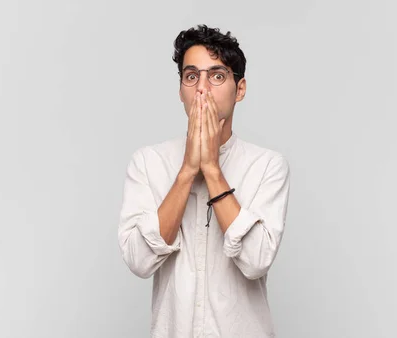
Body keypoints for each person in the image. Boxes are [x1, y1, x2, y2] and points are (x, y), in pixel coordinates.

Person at [117, 24, 291, 338]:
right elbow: (140, 261)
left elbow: (256, 261)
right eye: (192, 76)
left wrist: (211, 169)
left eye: (218, 76)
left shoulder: (267, 166)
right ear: (181, 89)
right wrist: (187, 171)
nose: (202, 88)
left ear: (240, 90)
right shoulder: (148, 162)